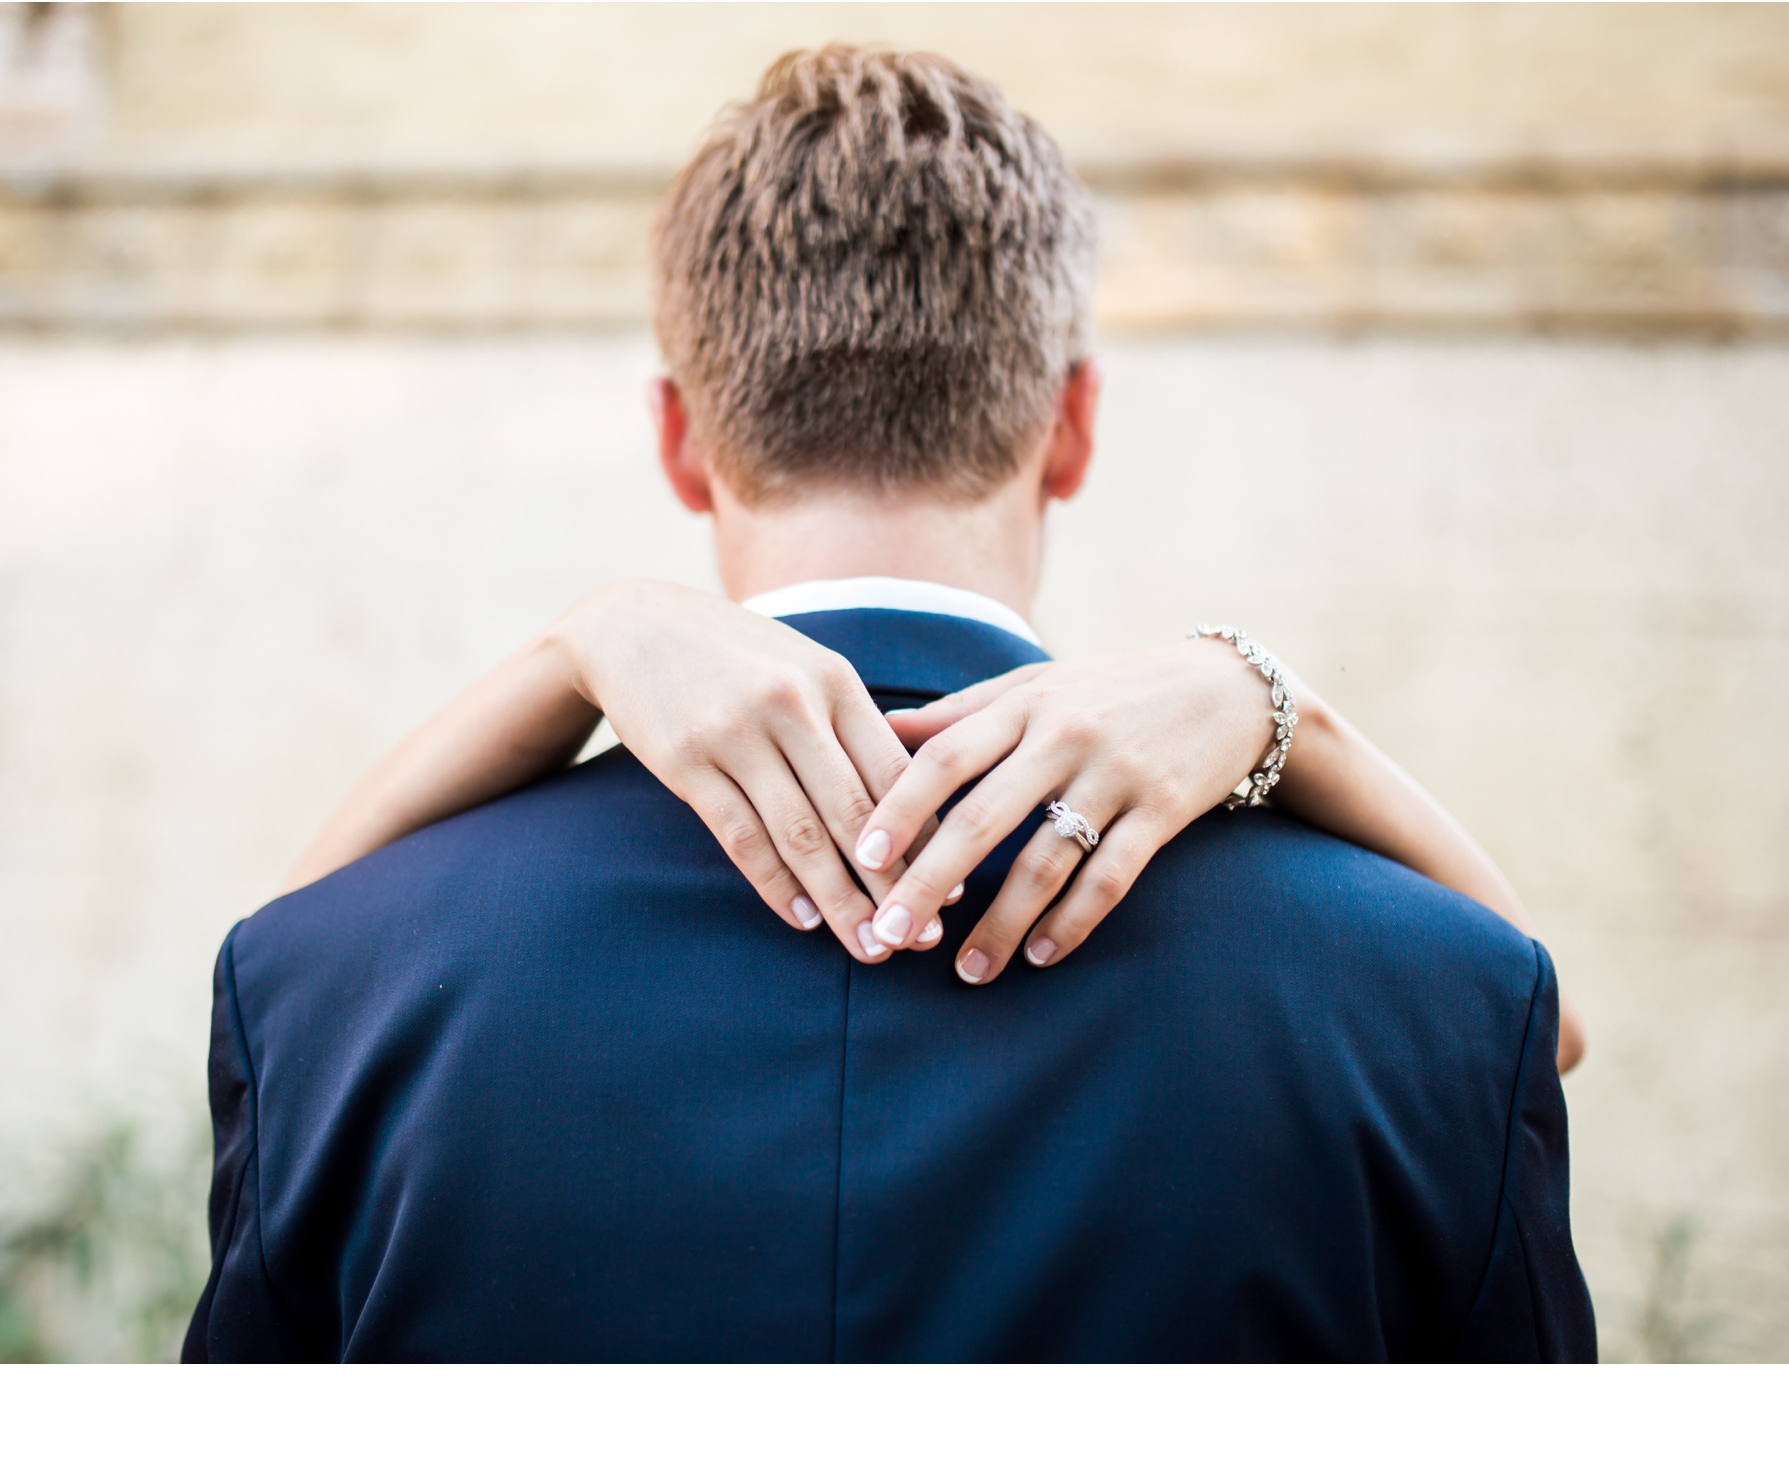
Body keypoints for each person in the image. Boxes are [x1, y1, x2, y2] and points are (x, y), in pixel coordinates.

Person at [184, 45, 1594, 1361]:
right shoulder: (1438, 992)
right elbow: (1544, 1026)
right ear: (1074, 423)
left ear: (680, 440)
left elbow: (285, 958)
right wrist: (1279, 705)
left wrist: (569, 657)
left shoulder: (327, 986)